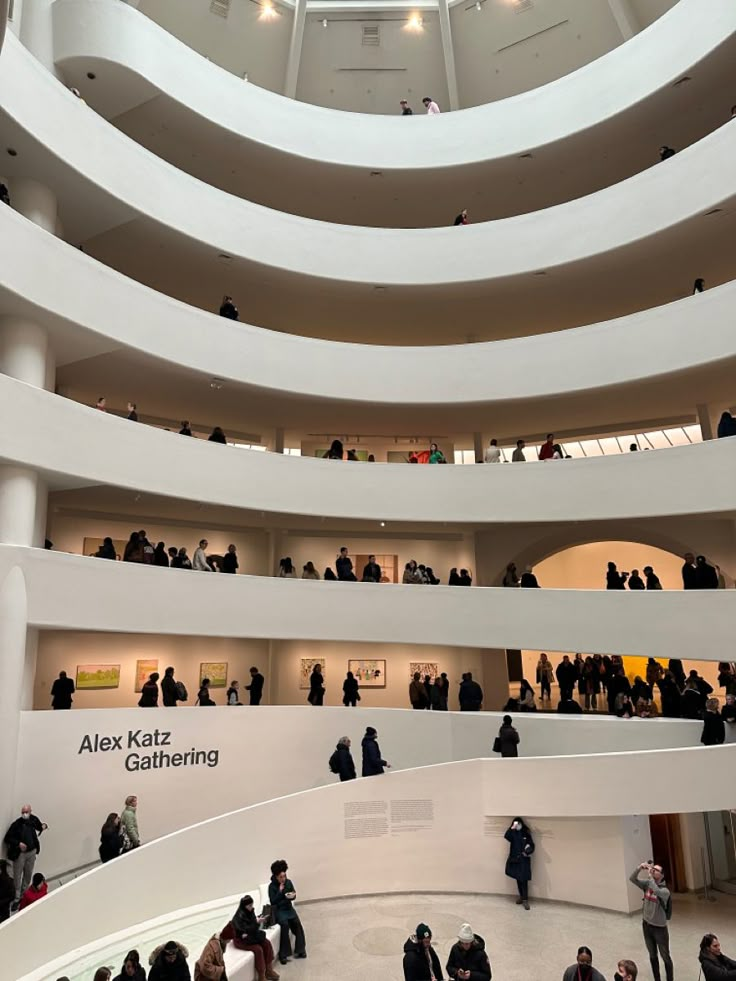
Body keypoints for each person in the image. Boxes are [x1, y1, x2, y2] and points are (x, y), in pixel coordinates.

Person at [629, 862, 673, 981]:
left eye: (656, 870)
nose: (653, 870)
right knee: (652, 955)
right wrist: (639, 868)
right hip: (647, 925)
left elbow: (656, 890)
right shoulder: (648, 884)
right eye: (653, 869)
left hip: (659, 928)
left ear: (662, 875)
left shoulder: (665, 891)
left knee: (665, 956)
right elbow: (632, 879)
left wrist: (649, 877)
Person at [226, 895, 279, 980]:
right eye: (249, 905)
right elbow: (244, 931)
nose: (251, 907)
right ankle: (261, 976)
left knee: (267, 943)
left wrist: (256, 922)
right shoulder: (239, 917)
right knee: (258, 949)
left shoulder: (251, 912)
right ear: (244, 906)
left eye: (252, 905)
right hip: (241, 940)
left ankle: (269, 970)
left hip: (251, 936)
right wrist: (256, 923)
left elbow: (251, 929)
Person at [4, 804, 47, 901]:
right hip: (20, 854)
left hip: (31, 852)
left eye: (26, 812)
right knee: (17, 876)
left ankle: (24, 895)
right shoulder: (16, 824)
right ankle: (16, 897)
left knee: (28, 874)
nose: (25, 814)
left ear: (30, 811)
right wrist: (18, 843)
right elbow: (8, 838)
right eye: (23, 812)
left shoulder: (33, 820)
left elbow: (39, 826)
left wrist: (43, 826)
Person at [268, 860, 307, 965]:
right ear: (276, 877)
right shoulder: (272, 887)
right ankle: (283, 954)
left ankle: (300, 949)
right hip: (280, 910)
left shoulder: (288, 882)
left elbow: (293, 893)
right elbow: (273, 901)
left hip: (288, 908)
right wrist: (280, 892)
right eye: (281, 877)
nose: (283, 879)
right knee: (284, 926)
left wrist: (293, 895)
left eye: (284, 876)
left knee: (297, 924)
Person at [504, 817, 535, 910]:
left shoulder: (526, 833)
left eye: (518, 824)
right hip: (515, 860)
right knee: (518, 879)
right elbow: (506, 836)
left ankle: (525, 900)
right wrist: (512, 828)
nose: (517, 825)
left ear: (521, 823)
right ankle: (521, 897)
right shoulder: (513, 833)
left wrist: (527, 851)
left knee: (524, 880)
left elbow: (532, 845)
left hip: (524, 860)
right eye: (515, 824)